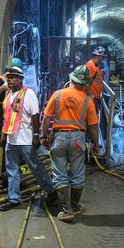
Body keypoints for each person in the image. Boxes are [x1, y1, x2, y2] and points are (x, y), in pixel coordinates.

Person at [42, 64, 99, 222]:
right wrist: (96, 145)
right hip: (77, 140)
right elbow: (93, 126)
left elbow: (46, 117)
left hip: (59, 138)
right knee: (78, 174)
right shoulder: (88, 101)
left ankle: (66, 210)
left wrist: (43, 136)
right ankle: (74, 206)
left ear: (71, 79)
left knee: (59, 175)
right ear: (86, 83)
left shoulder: (58, 94)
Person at [0, 66, 57, 211]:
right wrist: (4, 137)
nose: (10, 80)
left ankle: (51, 191)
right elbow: (8, 119)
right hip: (11, 140)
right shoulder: (8, 96)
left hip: (25, 139)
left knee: (36, 167)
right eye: (9, 77)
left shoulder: (29, 93)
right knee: (11, 170)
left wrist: (36, 135)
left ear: (20, 79)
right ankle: (13, 198)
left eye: (13, 78)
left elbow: (35, 115)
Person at [85, 47, 105, 141]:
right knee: (92, 120)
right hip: (92, 98)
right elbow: (86, 82)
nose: (102, 59)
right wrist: (91, 95)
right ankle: (91, 140)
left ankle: (91, 139)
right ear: (98, 56)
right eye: (102, 57)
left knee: (92, 119)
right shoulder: (91, 66)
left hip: (95, 96)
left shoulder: (94, 66)